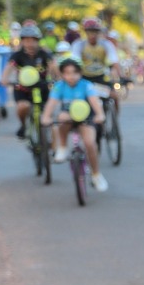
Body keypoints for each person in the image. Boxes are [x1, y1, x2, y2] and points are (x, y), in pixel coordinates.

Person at [44, 57, 107, 190]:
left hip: (86, 118)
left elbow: (94, 102)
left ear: (80, 73)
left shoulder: (86, 85)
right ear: (62, 74)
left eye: (74, 72)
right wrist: (46, 116)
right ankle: (62, 146)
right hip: (68, 118)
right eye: (67, 73)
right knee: (62, 117)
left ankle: (96, 174)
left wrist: (100, 115)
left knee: (90, 144)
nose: (71, 76)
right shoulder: (59, 86)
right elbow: (51, 104)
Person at [8, 22, 53, 138]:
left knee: (48, 115)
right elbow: (9, 68)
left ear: (38, 41)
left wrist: (57, 79)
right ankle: (23, 125)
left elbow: (54, 68)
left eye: (33, 40)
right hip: (23, 89)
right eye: (26, 40)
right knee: (23, 106)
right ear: (22, 41)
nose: (30, 44)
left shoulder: (44, 54)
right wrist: (5, 80)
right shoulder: (17, 55)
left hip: (42, 87)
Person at [71, 18, 121, 118]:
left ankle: (115, 119)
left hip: (101, 78)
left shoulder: (106, 44)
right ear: (85, 32)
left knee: (115, 96)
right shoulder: (78, 45)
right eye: (90, 32)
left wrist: (117, 75)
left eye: (95, 31)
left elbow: (114, 62)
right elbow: (75, 64)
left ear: (99, 32)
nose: (92, 35)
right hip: (84, 79)